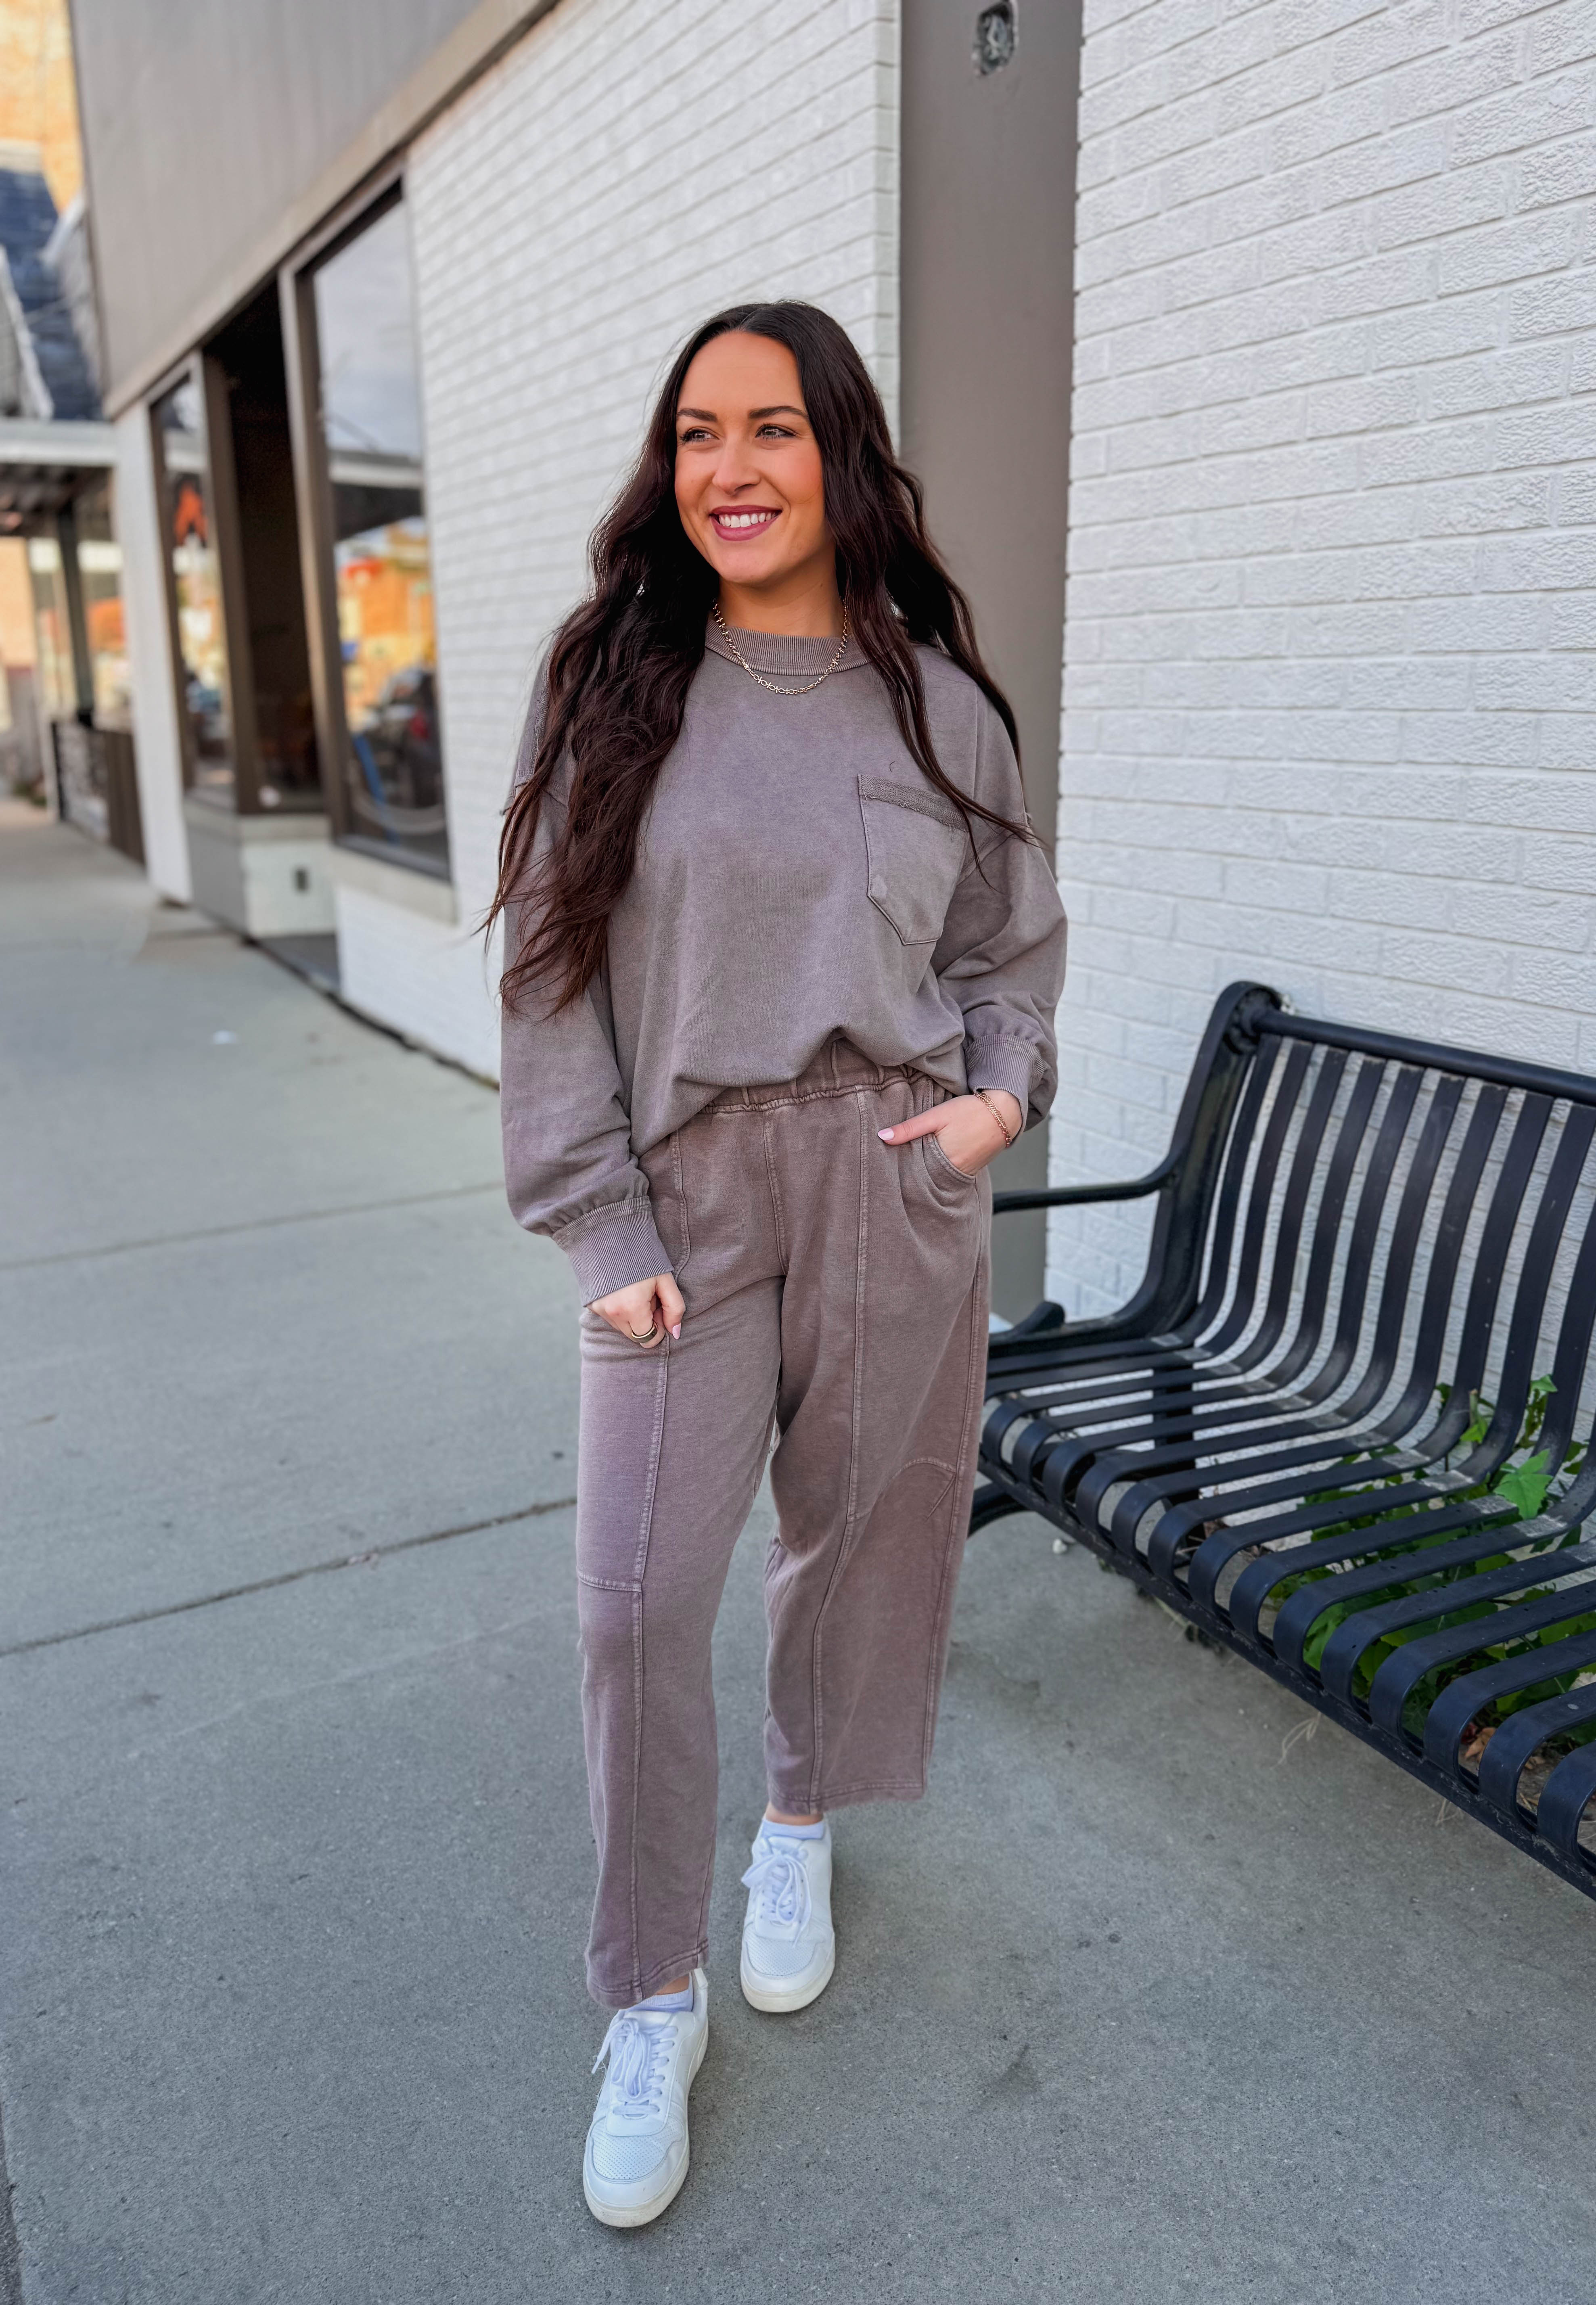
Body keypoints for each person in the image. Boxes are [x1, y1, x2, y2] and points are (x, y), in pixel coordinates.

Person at [491, 300, 1065, 2228]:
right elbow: (551, 970)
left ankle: (798, 1822)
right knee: (634, 1606)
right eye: (695, 434)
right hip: (685, 1199)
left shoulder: (940, 707)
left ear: (842, 453)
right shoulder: (615, 686)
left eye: (770, 430)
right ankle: (650, 1998)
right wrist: (594, 1215)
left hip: (892, 1183)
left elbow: (1008, 950)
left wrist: (996, 1102)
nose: (728, 469)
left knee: (859, 1538)